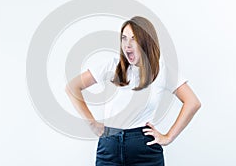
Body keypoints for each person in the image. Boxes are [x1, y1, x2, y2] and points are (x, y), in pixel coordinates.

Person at [65, 16, 201, 166]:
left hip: (143, 147)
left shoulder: (162, 71)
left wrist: (168, 137)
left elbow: (192, 102)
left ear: (146, 41)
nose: (127, 45)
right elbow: (72, 87)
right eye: (124, 38)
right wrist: (92, 123)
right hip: (109, 147)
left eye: (133, 39)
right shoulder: (112, 65)